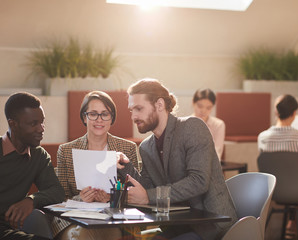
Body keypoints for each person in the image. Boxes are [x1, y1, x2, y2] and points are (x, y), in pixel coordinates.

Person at [125, 78, 237, 240]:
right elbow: (147, 187)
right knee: (132, 238)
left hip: (211, 225)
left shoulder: (192, 127)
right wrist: (126, 167)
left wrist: (148, 196)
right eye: (131, 110)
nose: (133, 116)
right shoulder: (146, 147)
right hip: (176, 225)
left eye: (139, 108)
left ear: (160, 105)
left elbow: (198, 181)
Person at [0, 92, 65, 240]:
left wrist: (31, 200)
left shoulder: (39, 156)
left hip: (4, 233)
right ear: (13, 124)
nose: (41, 129)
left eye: (42, 122)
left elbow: (56, 191)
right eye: (34, 124)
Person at [54, 91, 140, 240]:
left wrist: (111, 198)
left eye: (105, 114)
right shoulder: (66, 150)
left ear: (111, 117)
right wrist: (81, 198)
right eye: (93, 114)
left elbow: (137, 195)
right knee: (81, 235)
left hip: (112, 221)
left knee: (109, 234)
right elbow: (59, 199)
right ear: (84, 117)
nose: (99, 120)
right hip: (75, 220)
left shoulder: (127, 148)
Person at [258, 94, 298, 240]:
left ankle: (291, 222)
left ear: (276, 112)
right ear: (294, 113)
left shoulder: (262, 137)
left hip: (274, 190)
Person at [192, 88, 225, 160]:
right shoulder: (185, 123)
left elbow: (217, 152)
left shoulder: (218, 125)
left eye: (208, 108)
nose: (203, 111)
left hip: (209, 165)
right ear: (193, 103)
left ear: (212, 107)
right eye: (200, 106)